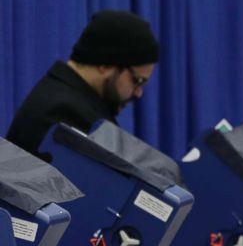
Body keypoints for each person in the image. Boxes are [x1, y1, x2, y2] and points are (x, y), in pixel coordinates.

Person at [6, 10, 159, 157]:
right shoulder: (63, 113)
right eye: (137, 81)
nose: (139, 93)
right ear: (104, 65)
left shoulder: (65, 98)